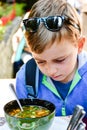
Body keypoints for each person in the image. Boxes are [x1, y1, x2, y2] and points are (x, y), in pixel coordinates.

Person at [16, 0, 87, 127]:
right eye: (40, 61)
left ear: (79, 45)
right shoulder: (27, 79)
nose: (51, 70)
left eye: (59, 60)